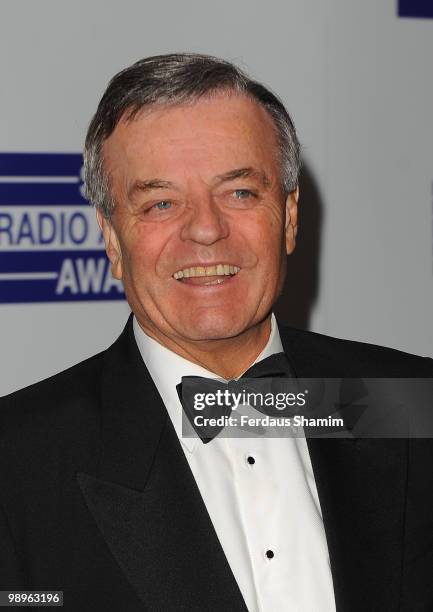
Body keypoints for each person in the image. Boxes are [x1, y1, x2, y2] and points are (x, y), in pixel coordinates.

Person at [0, 53, 432, 612]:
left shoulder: (409, 403)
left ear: (290, 216)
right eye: (160, 203)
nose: (206, 230)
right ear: (111, 239)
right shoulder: (17, 462)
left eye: (240, 193)